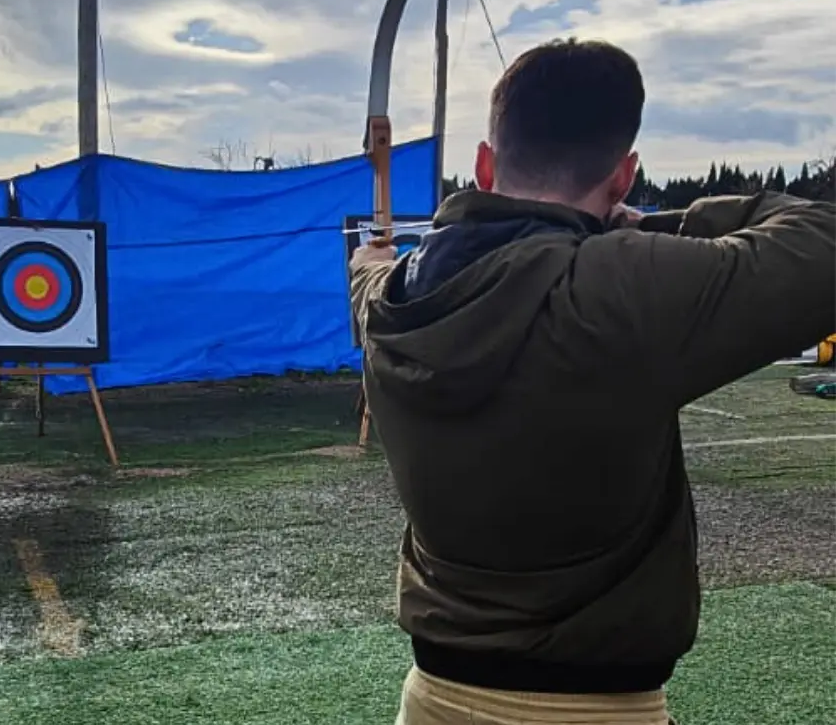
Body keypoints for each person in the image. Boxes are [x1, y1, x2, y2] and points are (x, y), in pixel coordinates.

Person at [348, 38, 835, 725]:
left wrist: (374, 256)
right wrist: (666, 222)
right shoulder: (627, 285)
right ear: (624, 176)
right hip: (601, 710)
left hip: (430, 701)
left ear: (485, 165)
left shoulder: (389, 298)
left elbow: (366, 273)